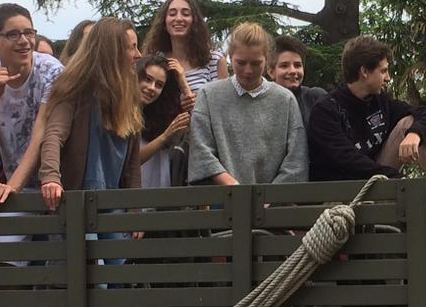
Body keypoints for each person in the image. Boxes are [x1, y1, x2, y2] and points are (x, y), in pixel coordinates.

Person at [308, 36, 426, 187]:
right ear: (364, 72)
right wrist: (400, 180)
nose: (388, 78)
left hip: (380, 179)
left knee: (410, 122)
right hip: (340, 191)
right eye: (383, 71)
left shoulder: (380, 101)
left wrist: (415, 134)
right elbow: (347, 161)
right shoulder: (326, 110)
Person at [37, 17, 143, 205]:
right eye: (132, 47)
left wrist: (135, 208)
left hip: (116, 201)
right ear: (113, 51)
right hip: (79, 200)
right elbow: (54, 134)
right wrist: (51, 178)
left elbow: (132, 164)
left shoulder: (130, 94)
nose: (139, 54)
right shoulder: (74, 87)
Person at [0, 4, 64, 207]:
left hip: (54, 182)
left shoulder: (51, 70)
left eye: (29, 33)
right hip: (15, 185)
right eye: (13, 34)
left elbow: (40, 135)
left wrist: (11, 186)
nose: (24, 41)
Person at [188, 23, 307, 186]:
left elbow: (296, 160)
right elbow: (200, 150)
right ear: (230, 57)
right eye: (241, 63)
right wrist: (233, 187)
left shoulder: (285, 100)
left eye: (256, 63)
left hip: (274, 199)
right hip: (221, 196)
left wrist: (267, 196)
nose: (248, 70)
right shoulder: (209, 95)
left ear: (267, 60)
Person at [143, 0, 225, 99]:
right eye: (172, 14)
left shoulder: (214, 60)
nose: (178, 18)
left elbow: (224, 104)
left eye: (185, 14)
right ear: (164, 23)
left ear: (194, 21)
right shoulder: (156, 61)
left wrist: (198, 103)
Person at [136, 53, 191, 189]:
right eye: (147, 79)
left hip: (159, 194)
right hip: (129, 195)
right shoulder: (121, 112)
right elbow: (131, 163)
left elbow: (200, 126)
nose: (152, 88)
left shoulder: (163, 116)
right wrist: (165, 136)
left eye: (159, 85)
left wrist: (184, 84)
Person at [270, 34, 327, 130]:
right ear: (271, 72)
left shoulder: (316, 98)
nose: (293, 71)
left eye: (297, 65)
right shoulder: (263, 103)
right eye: (284, 66)